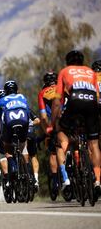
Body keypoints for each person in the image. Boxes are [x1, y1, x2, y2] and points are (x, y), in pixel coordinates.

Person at [49, 50, 100, 192]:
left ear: (67, 61)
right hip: (91, 103)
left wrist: (53, 124)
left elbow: (57, 101)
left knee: (61, 135)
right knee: (94, 144)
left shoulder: (65, 71)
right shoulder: (91, 72)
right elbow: (96, 97)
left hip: (75, 101)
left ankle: (66, 176)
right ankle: (97, 181)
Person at [0, 80, 30, 188]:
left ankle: (13, 167)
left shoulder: (2, 100)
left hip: (10, 123)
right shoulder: (22, 97)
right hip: (24, 122)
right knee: (23, 145)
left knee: (7, 146)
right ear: (16, 90)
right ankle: (27, 170)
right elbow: (28, 113)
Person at [38, 72, 59, 193]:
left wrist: (46, 131)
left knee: (53, 153)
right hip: (72, 119)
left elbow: (43, 117)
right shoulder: (64, 86)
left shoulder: (43, 92)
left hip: (54, 123)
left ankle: (56, 181)